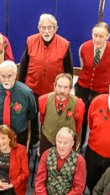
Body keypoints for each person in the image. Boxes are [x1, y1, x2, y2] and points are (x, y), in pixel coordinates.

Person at [18, 13, 73, 148]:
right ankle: (34, 138)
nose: (46, 31)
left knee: (49, 118)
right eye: (43, 27)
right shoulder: (30, 41)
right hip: (32, 88)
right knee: (32, 115)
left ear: (55, 28)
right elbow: (23, 65)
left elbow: (68, 70)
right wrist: (20, 86)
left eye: (50, 27)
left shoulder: (64, 44)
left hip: (53, 92)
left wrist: (67, 89)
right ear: (38, 28)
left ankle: (47, 140)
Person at [23, 127, 85, 195]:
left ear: (72, 144)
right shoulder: (46, 154)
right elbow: (39, 180)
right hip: (47, 194)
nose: (61, 146)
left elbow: (78, 188)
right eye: (59, 142)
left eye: (65, 143)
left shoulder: (79, 160)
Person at [0, 61, 37, 146]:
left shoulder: (26, 93)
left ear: (15, 74)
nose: (6, 79)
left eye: (9, 76)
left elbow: (32, 113)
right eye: (3, 76)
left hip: (18, 134)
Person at [37, 73, 85, 153]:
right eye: (59, 86)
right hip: (48, 138)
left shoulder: (78, 104)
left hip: (67, 141)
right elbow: (42, 120)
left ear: (70, 89)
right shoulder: (43, 100)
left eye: (66, 87)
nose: (62, 90)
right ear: (54, 86)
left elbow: (78, 125)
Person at [75, 22, 110, 105]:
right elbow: (83, 66)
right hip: (82, 87)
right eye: (95, 35)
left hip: (102, 91)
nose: (97, 39)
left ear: (108, 36)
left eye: (101, 36)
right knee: (80, 112)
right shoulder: (83, 47)